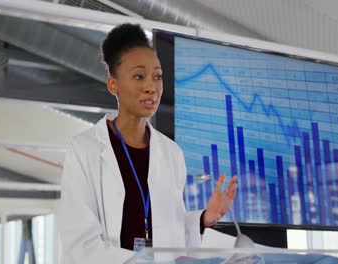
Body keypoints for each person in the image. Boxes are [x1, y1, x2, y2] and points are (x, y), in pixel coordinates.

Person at [56, 23, 238, 263]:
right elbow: (80, 243)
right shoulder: (84, 149)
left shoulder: (171, 153)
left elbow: (171, 229)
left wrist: (204, 219)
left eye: (157, 76)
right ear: (113, 85)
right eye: (139, 76)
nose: (151, 87)